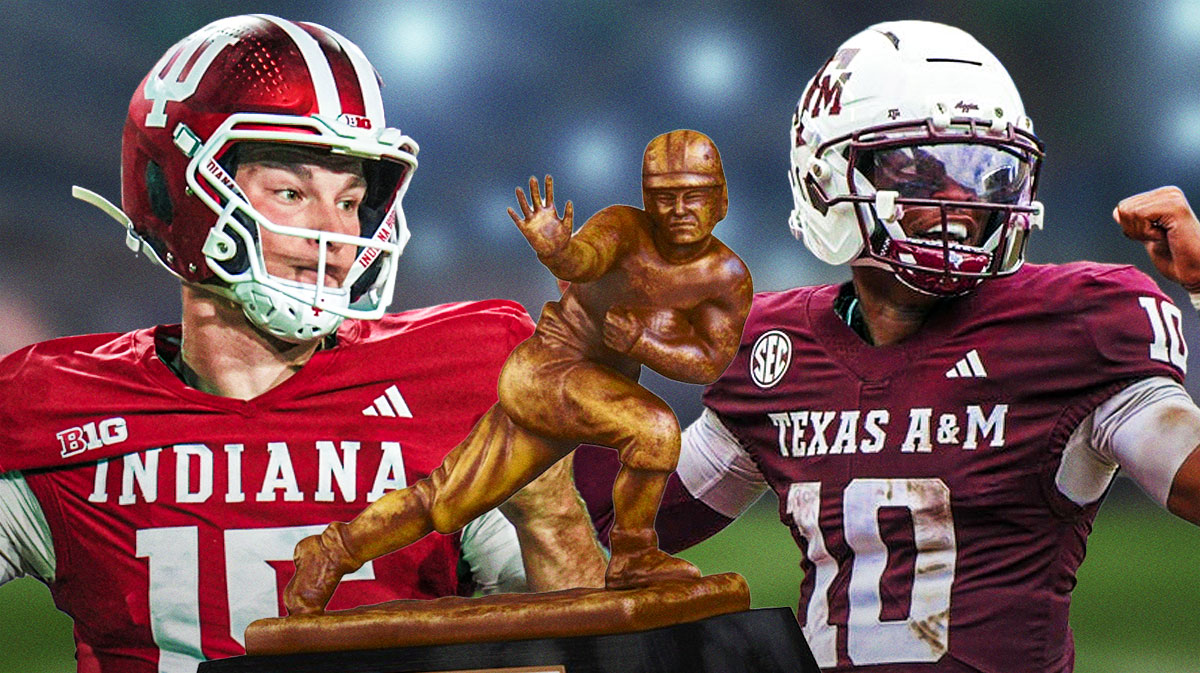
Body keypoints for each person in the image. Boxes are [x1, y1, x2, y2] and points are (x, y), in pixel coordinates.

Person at [576, 20, 1200, 673]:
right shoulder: (774, 350)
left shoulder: (1074, 325)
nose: (963, 202)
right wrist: (580, 361)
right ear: (826, 177)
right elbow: (621, 527)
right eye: (923, 169)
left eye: (987, 171)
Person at [0, 14, 605, 672]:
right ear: (175, 192)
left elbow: (566, 654)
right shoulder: (56, 412)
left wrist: (552, 514)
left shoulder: (460, 378)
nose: (337, 235)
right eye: (291, 192)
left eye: (350, 201)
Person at [284, 130, 754, 613]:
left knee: (444, 502)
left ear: (720, 200)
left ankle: (332, 552)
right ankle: (633, 553)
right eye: (664, 196)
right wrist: (556, 250)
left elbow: (709, 361)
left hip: (585, 392)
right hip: (549, 372)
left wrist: (642, 342)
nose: (678, 209)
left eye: (693, 195)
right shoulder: (623, 228)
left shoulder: (726, 276)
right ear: (645, 200)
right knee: (653, 428)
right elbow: (584, 261)